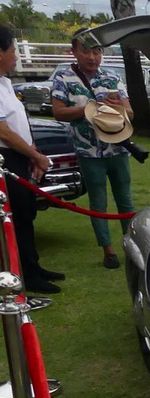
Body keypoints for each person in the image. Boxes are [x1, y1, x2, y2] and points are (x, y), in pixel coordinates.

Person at [50, 29, 134, 270]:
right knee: (98, 201)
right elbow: (58, 112)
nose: (92, 57)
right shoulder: (64, 78)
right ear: (74, 51)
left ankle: (131, 246)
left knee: (125, 199)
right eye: (86, 51)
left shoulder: (111, 77)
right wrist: (88, 108)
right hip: (88, 152)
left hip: (117, 149)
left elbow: (130, 113)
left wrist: (119, 108)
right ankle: (108, 250)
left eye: (97, 51)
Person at [0, 24, 62, 293]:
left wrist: (34, 154)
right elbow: (3, 131)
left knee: (26, 214)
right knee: (15, 218)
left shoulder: (5, 83)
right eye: (13, 51)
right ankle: (25, 275)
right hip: (6, 160)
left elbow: (19, 122)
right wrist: (34, 154)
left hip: (20, 157)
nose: (16, 57)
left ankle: (33, 266)